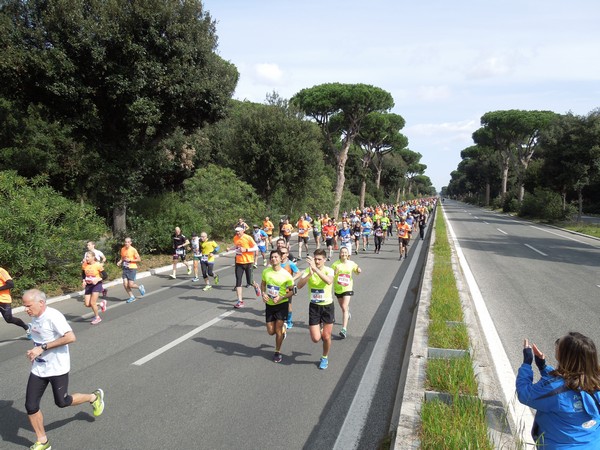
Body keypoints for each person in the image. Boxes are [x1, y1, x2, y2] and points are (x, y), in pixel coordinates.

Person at [23, 289, 105, 450]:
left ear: (41, 303)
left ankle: (93, 397)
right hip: (39, 368)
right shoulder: (35, 317)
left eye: (28, 305)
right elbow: (40, 339)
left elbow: (70, 337)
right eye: (24, 306)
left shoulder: (53, 316)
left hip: (57, 367)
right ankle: (43, 441)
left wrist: (42, 348)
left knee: (62, 401)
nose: (26, 309)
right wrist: (35, 351)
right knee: (31, 406)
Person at [517, 333, 600, 448]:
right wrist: (543, 367)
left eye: (559, 343)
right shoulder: (595, 381)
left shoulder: (556, 390)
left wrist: (526, 363)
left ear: (565, 356)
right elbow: (567, 383)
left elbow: (524, 394)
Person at [296, 249, 335, 370]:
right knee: (316, 338)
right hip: (314, 306)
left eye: (319, 259)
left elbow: (329, 281)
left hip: (327, 306)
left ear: (324, 259)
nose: (317, 261)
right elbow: (299, 286)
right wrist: (309, 274)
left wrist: (316, 270)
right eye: (315, 259)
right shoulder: (309, 270)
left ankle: (324, 357)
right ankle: (321, 329)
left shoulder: (329, 270)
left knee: (327, 337)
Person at [261, 250, 295, 363]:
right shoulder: (266, 271)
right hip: (269, 305)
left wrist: (281, 297)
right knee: (271, 331)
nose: (273, 259)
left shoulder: (286, 275)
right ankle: (284, 330)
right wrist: (263, 293)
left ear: (281, 259)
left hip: (281, 305)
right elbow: (263, 284)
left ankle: (277, 351)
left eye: (276, 257)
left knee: (278, 329)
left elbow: (292, 291)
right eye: (272, 257)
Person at [331, 247, 361, 339]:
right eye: (342, 252)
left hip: (347, 288)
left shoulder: (351, 263)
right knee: (343, 307)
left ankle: (344, 329)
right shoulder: (335, 264)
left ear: (348, 254)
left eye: (345, 252)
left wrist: (358, 270)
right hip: (338, 288)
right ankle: (347, 312)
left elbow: (356, 270)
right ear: (340, 254)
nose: (344, 254)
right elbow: (330, 276)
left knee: (344, 307)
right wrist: (334, 273)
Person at [227, 227, 259, 309]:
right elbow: (237, 246)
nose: (237, 233)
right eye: (236, 231)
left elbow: (256, 248)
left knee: (250, 282)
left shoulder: (248, 238)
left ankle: (256, 286)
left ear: (243, 231)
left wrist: (246, 249)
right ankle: (240, 301)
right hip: (238, 262)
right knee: (238, 281)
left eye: (238, 231)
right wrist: (230, 249)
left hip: (248, 262)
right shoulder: (235, 238)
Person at [0, 266, 30, 337]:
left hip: (3, 300)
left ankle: (26, 327)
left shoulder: (1, 271)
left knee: (9, 319)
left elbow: (11, 284)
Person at [81, 251, 108, 325]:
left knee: (92, 303)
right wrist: (83, 281)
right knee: (87, 304)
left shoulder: (97, 265)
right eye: (86, 256)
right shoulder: (84, 265)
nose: (86, 258)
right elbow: (83, 274)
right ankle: (101, 304)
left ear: (93, 257)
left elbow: (105, 276)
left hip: (97, 285)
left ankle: (97, 317)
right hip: (88, 285)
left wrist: (98, 279)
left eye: (88, 257)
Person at [116, 237, 145, 303]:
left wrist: (130, 260)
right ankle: (132, 297)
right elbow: (122, 258)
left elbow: (139, 259)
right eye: (125, 242)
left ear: (130, 243)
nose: (126, 243)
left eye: (128, 242)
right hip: (125, 268)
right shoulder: (122, 249)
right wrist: (120, 262)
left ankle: (140, 287)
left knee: (130, 285)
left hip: (132, 268)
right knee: (125, 284)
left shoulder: (133, 250)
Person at [279, 246, 302, 329]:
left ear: (287, 254)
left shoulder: (290, 264)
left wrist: (292, 279)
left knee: (288, 304)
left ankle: (289, 321)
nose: (281, 254)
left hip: (288, 288)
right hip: (278, 287)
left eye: (283, 253)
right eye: (280, 253)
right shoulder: (276, 263)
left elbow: (299, 273)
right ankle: (279, 320)